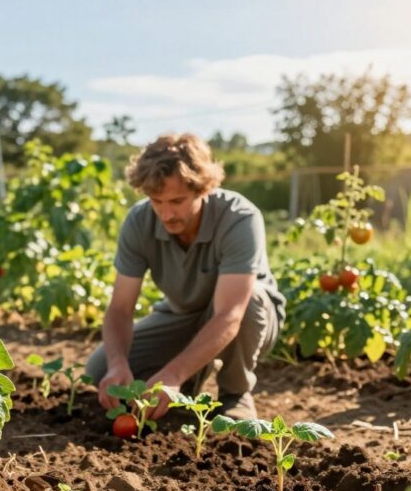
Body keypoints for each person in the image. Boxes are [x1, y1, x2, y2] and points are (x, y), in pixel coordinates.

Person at [85, 133, 285, 420]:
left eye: (177, 201)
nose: (166, 214)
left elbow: (231, 314)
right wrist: (118, 363)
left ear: (203, 189)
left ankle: (234, 393)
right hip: (182, 315)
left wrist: (173, 373)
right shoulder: (139, 221)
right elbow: (119, 309)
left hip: (249, 319)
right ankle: (188, 381)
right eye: (157, 201)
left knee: (249, 300)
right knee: (100, 371)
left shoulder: (239, 218)